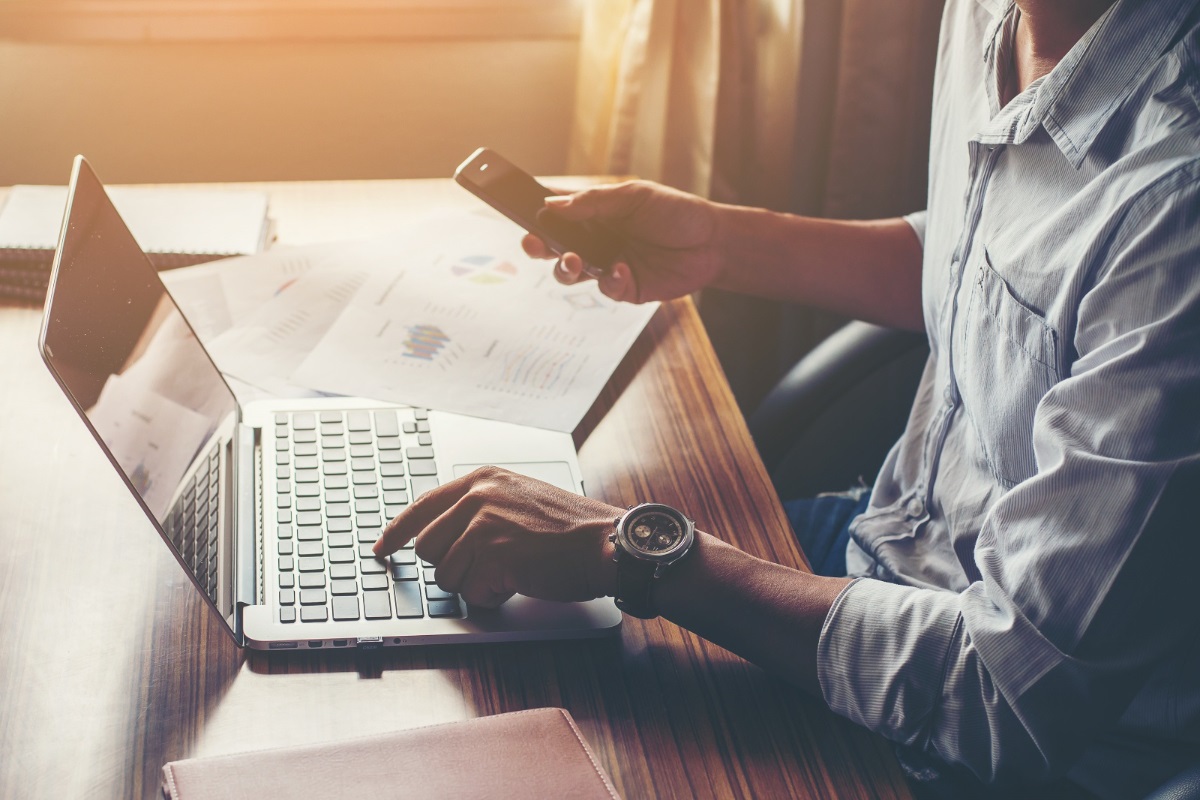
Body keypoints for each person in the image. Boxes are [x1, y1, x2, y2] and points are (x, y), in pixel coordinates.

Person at [373, 0, 1200, 795]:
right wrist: (720, 243)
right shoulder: (995, 15)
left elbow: (1004, 703)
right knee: (481, 655)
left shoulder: (1179, 198)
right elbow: (986, 264)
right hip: (885, 546)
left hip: (1020, 743)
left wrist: (630, 551)